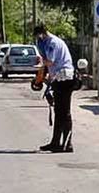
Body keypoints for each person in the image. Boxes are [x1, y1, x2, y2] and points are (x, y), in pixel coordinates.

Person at [32, 23, 77, 152]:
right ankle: (56, 143)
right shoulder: (48, 42)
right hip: (59, 78)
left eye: (38, 36)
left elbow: (50, 61)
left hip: (64, 78)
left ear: (43, 33)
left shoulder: (52, 43)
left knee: (64, 112)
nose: (38, 39)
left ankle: (67, 144)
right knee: (59, 111)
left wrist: (40, 61)